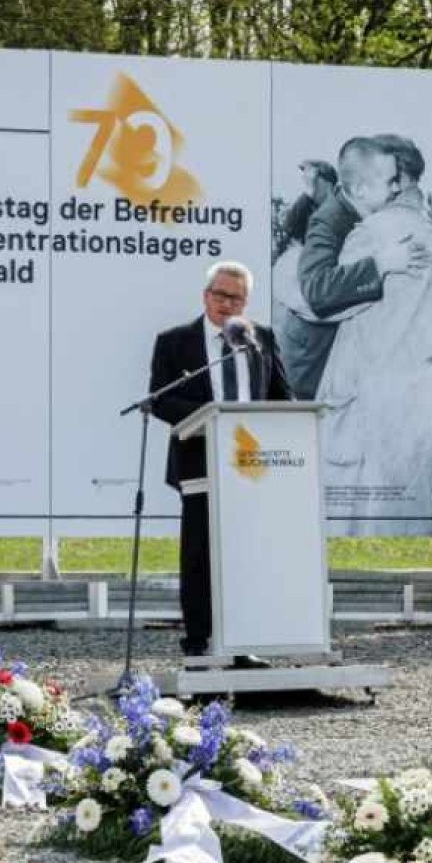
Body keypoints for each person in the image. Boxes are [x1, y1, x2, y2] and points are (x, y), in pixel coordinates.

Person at [314, 134, 432, 534]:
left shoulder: (373, 232)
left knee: (360, 527)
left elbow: (324, 302)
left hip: (371, 400)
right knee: (417, 519)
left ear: (393, 179)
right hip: (423, 401)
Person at [148, 261, 292, 660]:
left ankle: (243, 643)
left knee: (247, 555)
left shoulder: (260, 338)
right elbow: (161, 399)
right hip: (200, 464)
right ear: (205, 296)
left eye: (236, 298)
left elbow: (281, 395)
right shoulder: (175, 342)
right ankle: (198, 643)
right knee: (200, 557)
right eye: (220, 295)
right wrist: (211, 415)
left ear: (246, 302)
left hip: (252, 467)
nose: (227, 305)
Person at [271, 137, 429, 398]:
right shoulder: (328, 220)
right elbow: (317, 290)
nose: (395, 190)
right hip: (311, 362)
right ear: (359, 190)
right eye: (390, 182)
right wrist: (381, 264)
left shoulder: (365, 210)